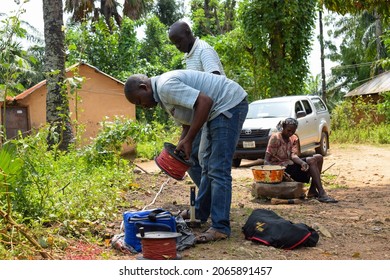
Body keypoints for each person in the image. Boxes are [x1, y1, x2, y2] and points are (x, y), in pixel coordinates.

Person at [124, 70, 248, 242]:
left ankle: (220, 227)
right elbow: (187, 122)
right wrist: (182, 143)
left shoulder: (166, 86)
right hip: (217, 109)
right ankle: (198, 214)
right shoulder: (162, 94)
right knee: (207, 167)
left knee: (218, 169)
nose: (143, 106)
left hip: (228, 104)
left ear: (144, 87)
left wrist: (189, 140)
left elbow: (205, 101)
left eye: (139, 101)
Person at [168, 20, 225, 188]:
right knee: (194, 155)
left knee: (193, 155)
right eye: (174, 43)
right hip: (202, 113)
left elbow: (215, 82)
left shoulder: (204, 51)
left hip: (213, 111)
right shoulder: (190, 55)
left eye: (179, 41)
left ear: (188, 32)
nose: (178, 46)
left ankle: (207, 197)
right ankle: (207, 196)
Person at [264, 117, 337, 203]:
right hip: (282, 170)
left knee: (319, 157)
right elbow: (266, 161)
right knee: (311, 160)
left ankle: (313, 191)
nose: (290, 133)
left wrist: (302, 163)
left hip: (290, 166)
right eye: (288, 130)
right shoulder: (275, 138)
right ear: (283, 127)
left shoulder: (294, 138)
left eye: (293, 131)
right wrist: (279, 172)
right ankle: (322, 193)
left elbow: (293, 155)